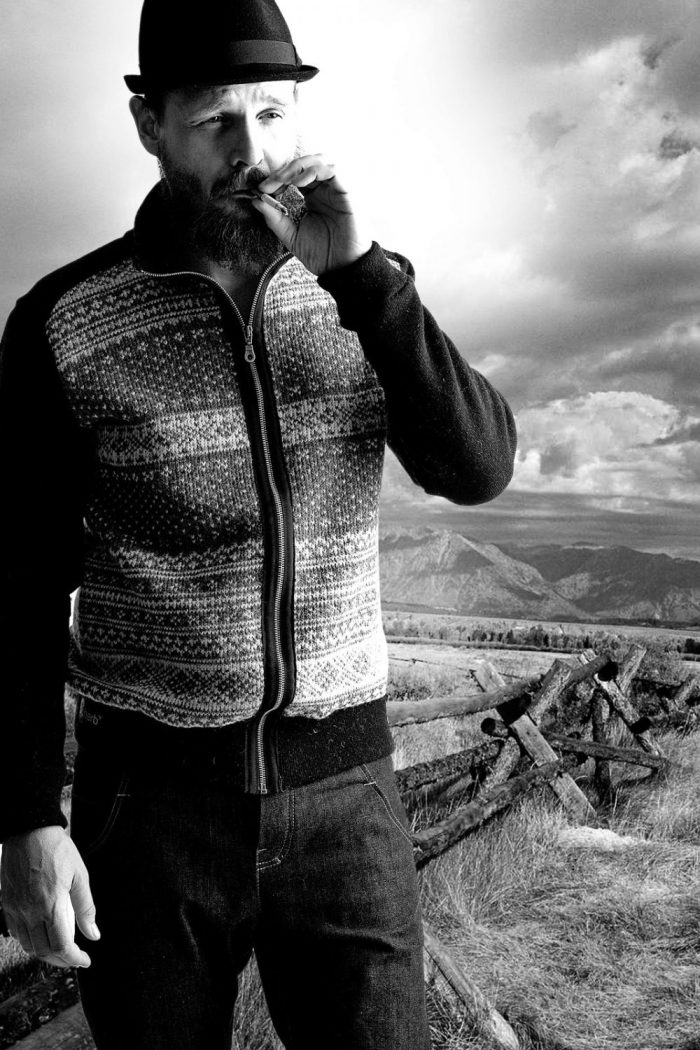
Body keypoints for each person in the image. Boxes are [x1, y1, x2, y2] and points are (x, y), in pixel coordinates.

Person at [0, 0, 517, 1047]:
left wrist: (364, 280)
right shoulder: (64, 319)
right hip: (148, 812)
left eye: (274, 115)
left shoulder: (362, 288)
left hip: (348, 798)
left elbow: (477, 468)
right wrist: (23, 820)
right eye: (216, 121)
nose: (254, 152)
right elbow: (13, 585)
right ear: (150, 124)